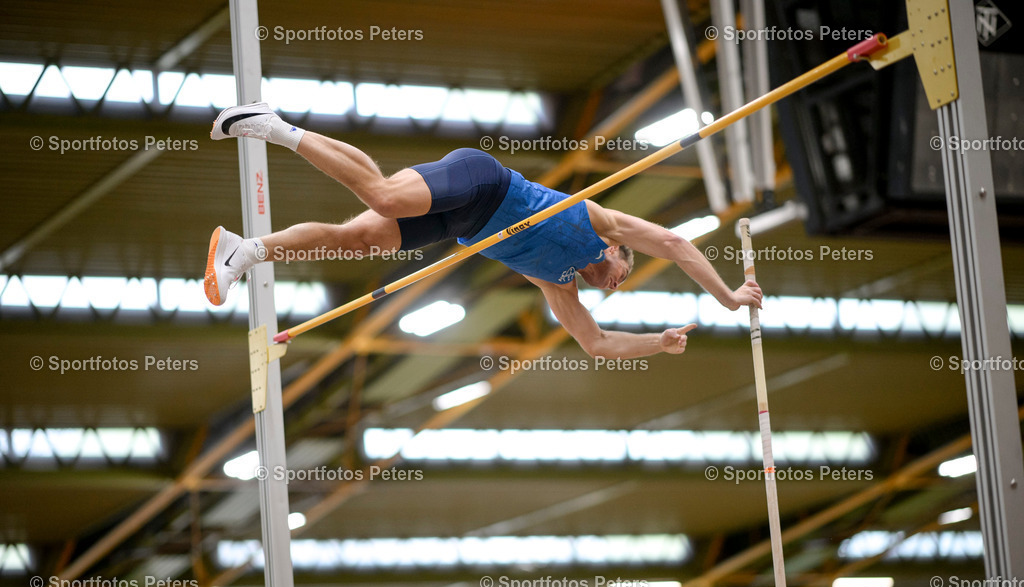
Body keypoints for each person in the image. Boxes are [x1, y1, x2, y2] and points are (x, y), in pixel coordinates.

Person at [205, 103, 762, 359]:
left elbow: (595, 344)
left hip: (459, 225)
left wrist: (656, 344)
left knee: (359, 237)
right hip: (482, 182)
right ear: (615, 251)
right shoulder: (600, 222)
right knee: (384, 195)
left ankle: (246, 250)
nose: (617, 281)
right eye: (623, 271)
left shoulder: (559, 286)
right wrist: (729, 298)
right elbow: (674, 242)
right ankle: (273, 126)